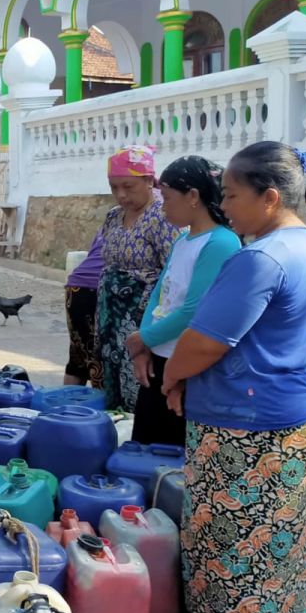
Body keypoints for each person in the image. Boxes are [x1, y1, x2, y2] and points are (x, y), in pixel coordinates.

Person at [164, 142, 306, 613]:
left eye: (232, 196)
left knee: (231, 566)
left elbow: (206, 341)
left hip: (249, 435)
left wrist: (173, 376)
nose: (225, 207)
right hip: (293, 422)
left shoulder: (260, 258)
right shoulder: (305, 245)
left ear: (270, 198)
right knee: (281, 564)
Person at [123, 156, 240, 447]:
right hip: (159, 355)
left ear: (193, 196)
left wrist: (144, 337)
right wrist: (145, 342)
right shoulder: (183, 239)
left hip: (186, 362)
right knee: (146, 444)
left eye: (168, 198)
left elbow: (194, 309)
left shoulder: (221, 243)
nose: (163, 207)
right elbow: (161, 295)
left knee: (173, 449)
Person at [95, 145, 180, 412]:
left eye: (128, 186)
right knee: (112, 378)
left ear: (148, 180)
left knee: (139, 380)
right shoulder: (113, 216)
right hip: (111, 317)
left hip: (142, 317)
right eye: (114, 187)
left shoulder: (164, 216)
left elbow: (173, 274)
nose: (121, 195)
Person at [63, 231, 104, 388]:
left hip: (75, 289)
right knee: (100, 363)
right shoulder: (154, 219)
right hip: (98, 291)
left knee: (77, 360)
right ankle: (101, 411)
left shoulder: (111, 219)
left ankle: (64, 409)